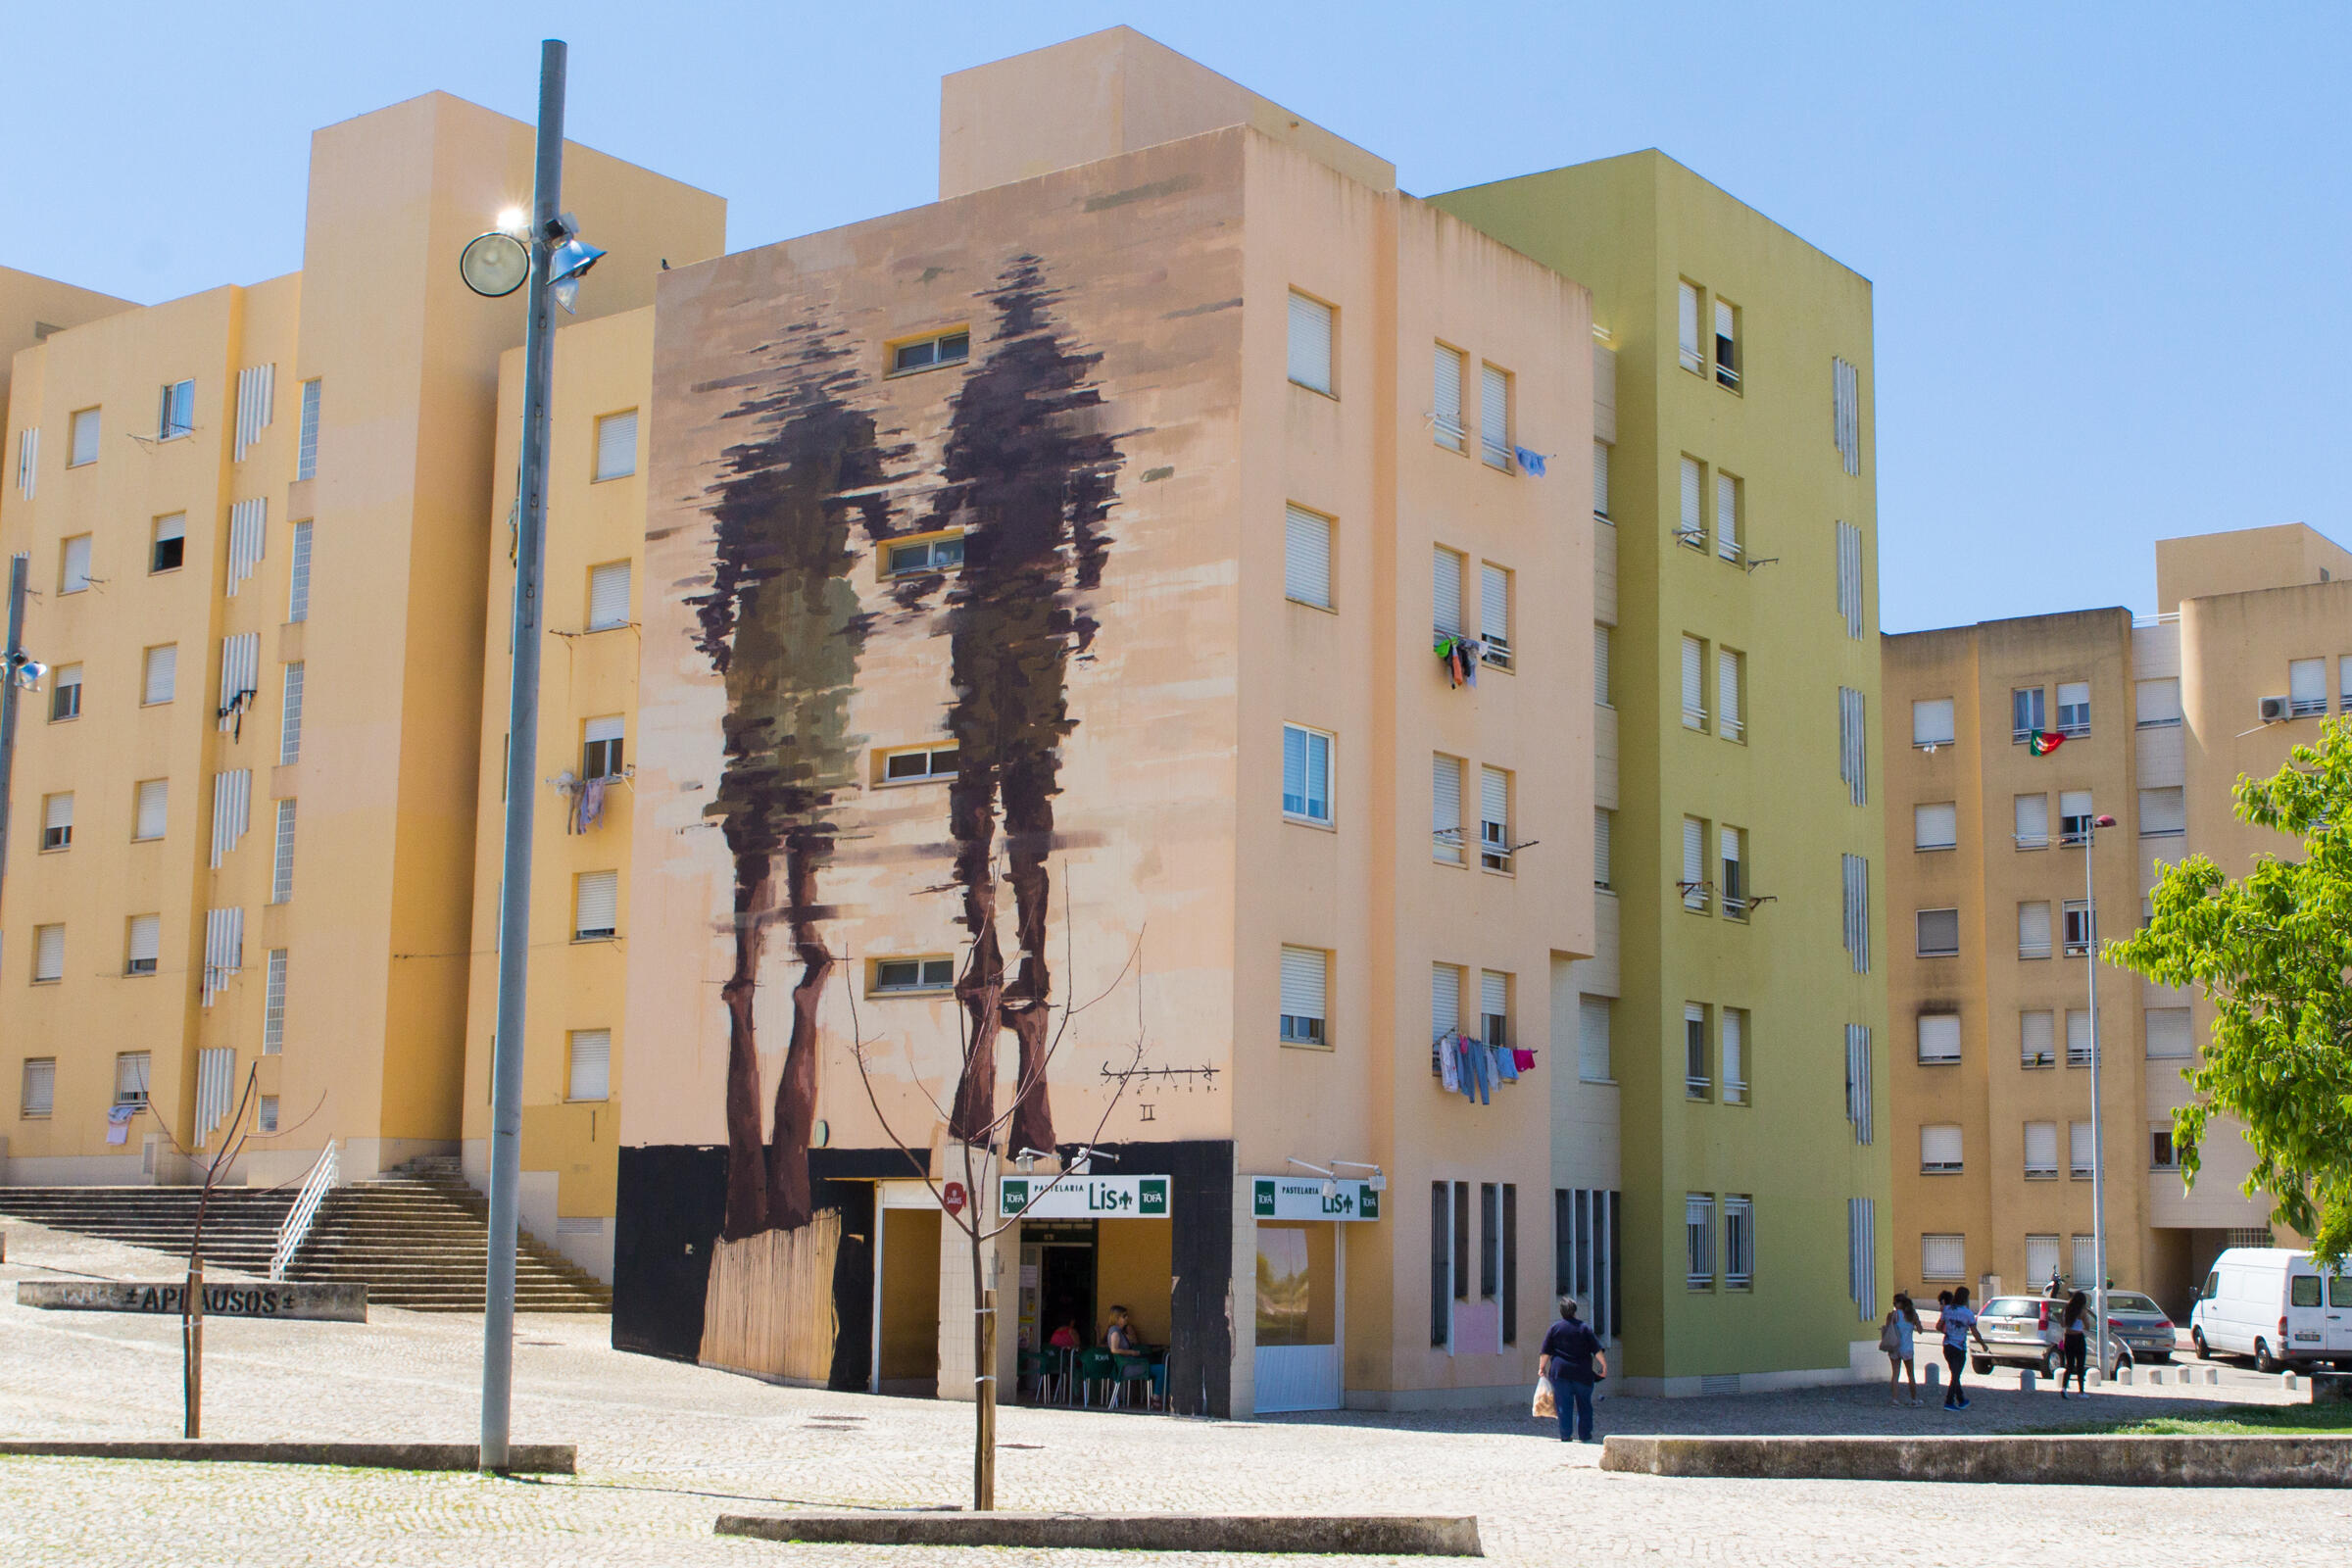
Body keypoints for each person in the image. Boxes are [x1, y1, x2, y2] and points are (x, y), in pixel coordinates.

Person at [1539, 1296, 1606, 1444]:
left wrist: (1541, 1367)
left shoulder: (1555, 1328)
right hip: (1582, 1373)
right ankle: (1585, 1434)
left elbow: (1545, 1352)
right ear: (1575, 1311)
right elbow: (1596, 1350)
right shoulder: (1584, 1328)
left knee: (1564, 1405)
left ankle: (1565, 1434)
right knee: (1584, 1405)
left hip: (1561, 1373)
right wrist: (1604, 1366)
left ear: (1561, 1311)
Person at [1939, 1285, 1988, 1411]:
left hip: (1947, 1345)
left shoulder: (1947, 1309)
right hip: (1959, 1348)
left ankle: (1961, 1399)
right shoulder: (1968, 1313)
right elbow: (1974, 1331)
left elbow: (1939, 1326)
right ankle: (1948, 1401)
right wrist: (1982, 1344)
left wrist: (1948, 1332)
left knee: (1955, 1374)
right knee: (1955, 1376)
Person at [1883, 1292, 1922, 1406]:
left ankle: (1895, 1399)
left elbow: (1888, 1329)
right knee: (1911, 1374)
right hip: (1907, 1348)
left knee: (1895, 1374)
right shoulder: (1911, 1315)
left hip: (1894, 1347)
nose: (1894, 1304)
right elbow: (1920, 1330)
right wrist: (1916, 1322)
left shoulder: (1892, 1315)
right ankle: (1914, 1399)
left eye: (1895, 1302)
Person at [2059, 1290, 2090, 1397]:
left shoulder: (2066, 1308)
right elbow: (2088, 1326)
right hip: (2078, 1338)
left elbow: (2062, 1324)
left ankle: (2064, 1388)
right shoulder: (2081, 1311)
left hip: (2068, 1337)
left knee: (2069, 1365)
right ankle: (2081, 1391)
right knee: (2080, 1365)